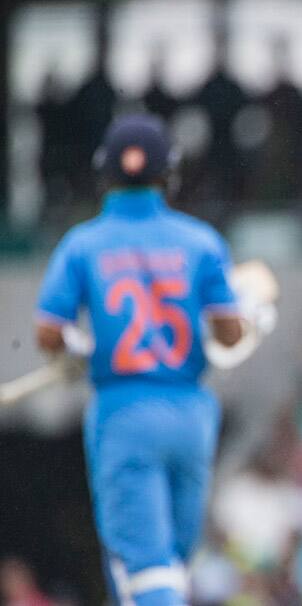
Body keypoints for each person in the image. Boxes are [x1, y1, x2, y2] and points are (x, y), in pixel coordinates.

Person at [35, 114, 243, 606]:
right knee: (171, 562)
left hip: (123, 409)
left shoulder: (82, 243)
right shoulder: (200, 240)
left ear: (103, 174)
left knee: (144, 568)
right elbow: (230, 335)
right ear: (167, 175)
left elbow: (48, 332)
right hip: (192, 413)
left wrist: (74, 349)